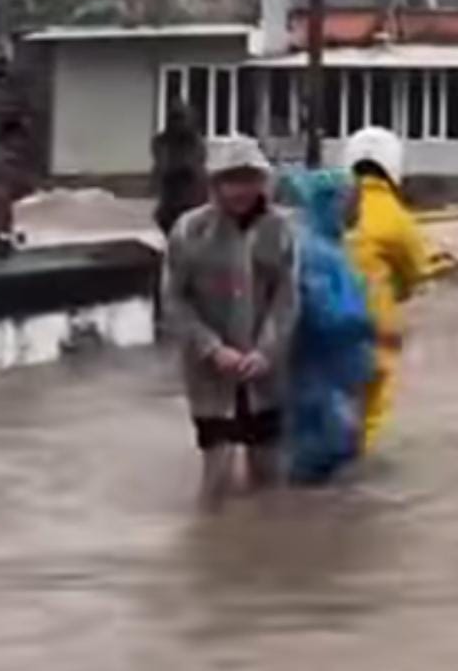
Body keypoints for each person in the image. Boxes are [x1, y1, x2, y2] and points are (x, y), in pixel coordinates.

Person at [163, 137, 297, 506]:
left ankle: (261, 553)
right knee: (216, 476)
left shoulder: (280, 230)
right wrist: (211, 348)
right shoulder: (190, 231)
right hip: (211, 373)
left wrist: (267, 351)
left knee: (269, 475)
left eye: (249, 179)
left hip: (265, 372)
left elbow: (287, 298)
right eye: (231, 180)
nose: (241, 190)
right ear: (214, 184)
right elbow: (174, 300)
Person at [277, 169, 375, 485]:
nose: (354, 209)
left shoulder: (331, 247)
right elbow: (323, 314)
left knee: (334, 454)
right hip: (319, 377)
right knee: (317, 459)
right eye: (348, 201)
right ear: (329, 203)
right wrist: (365, 323)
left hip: (336, 375)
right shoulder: (314, 253)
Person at [343, 127, 432, 453]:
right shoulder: (396, 218)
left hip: (316, 321)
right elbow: (415, 272)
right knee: (367, 411)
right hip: (371, 325)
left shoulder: (327, 206)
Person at [151, 103, 208, 237]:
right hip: (171, 192)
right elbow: (163, 164)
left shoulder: (195, 141)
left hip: (192, 191)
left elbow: (194, 164)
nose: (180, 124)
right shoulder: (162, 141)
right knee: (166, 220)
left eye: (182, 118)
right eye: (176, 118)